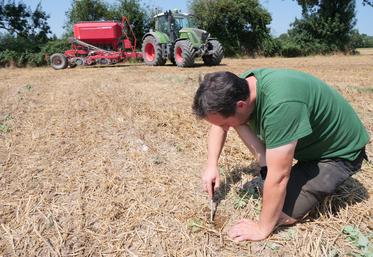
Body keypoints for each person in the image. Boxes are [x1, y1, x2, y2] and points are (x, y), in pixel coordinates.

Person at [192, 68, 369, 242]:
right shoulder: (242, 86)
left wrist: (262, 228)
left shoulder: (281, 106)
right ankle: (267, 166)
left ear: (240, 105)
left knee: (279, 212)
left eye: (225, 124)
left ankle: (277, 174)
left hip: (337, 154)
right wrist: (211, 165)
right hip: (307, 143)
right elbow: (219, 124)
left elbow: (279, 177)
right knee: (239, 122)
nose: (223, 129)